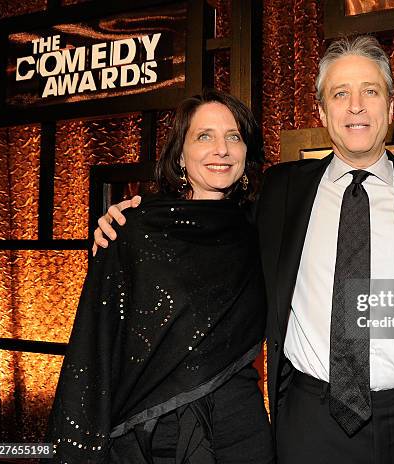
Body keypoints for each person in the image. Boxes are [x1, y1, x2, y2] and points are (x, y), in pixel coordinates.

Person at [94, 36, 394, 464]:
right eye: (340, 94)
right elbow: (208, 229)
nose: (356, 106)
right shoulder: (281, 191)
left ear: (391, 105)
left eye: (370, 91)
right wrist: (134, 219)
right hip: (306, 423)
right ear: (322, 111)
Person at [49, 89, 274, 464]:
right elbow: (100, 339)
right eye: (204, 136)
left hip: (243, 423)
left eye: (233, 136)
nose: (221, 149)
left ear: (245, 153)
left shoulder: (262, 227)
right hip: (162, 427)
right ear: (181, 155)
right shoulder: (137, 228)